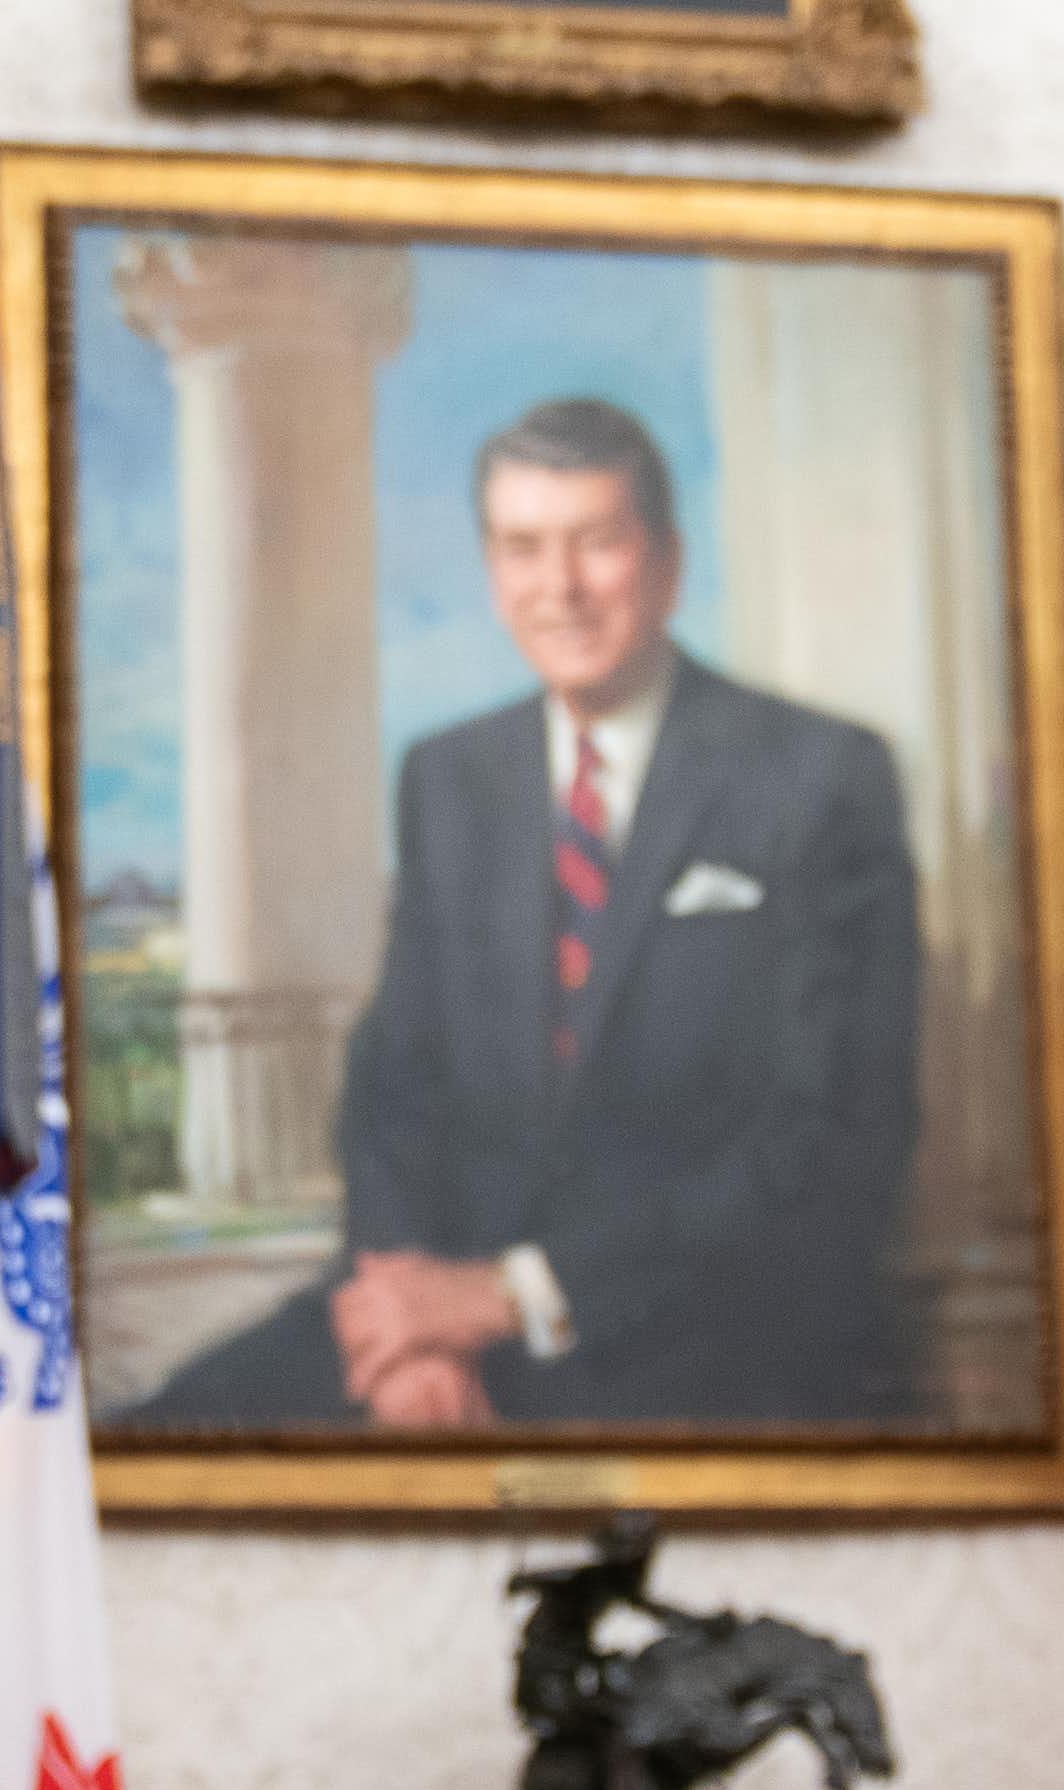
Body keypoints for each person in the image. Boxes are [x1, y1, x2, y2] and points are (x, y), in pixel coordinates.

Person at [137, 397, 920, 1430]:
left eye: (597, 542)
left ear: (666, 562)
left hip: (700, 1333)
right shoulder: (448, 778)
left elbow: (831, 1141)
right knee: (150, 1443)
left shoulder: (818, 778)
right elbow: (391, 1088)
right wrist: (410, 1329)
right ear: (490, 573)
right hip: (441, 1315)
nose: (560, 589)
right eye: (522, 549)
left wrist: (511, 1297)